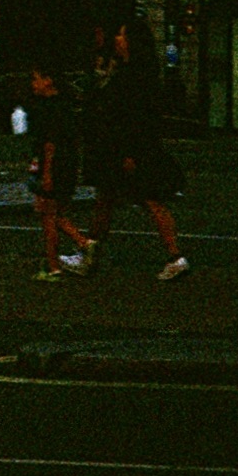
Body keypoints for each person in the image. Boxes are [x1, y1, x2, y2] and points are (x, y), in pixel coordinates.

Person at [76, 17, 187, 281]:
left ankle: (175, 256)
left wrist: (130, 152)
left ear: (133, 42)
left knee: (148, 199)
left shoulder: (135, 75)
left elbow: (135, 115)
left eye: (122, 35)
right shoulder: (130, 69)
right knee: (107, 199)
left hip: (129, 147)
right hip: (123, 145)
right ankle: (89, 253)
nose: (118, 39)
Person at [24, 60, 88, 282]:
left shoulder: (46, 108)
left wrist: (46, 172)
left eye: (36, 78)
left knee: (48, 215)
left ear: (48, 80)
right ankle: (71, 251)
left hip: (53, 166)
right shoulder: (66, 106)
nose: (33, 84)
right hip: (68, 164)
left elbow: (49, 143)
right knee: (53, 212)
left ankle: (60, 261)